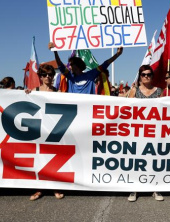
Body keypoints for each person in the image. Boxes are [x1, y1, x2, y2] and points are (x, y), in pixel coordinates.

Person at [25, 64, 64, 201]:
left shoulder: (57, 92)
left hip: (53, 130)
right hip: (38, 130)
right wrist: (25, 94)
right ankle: (39, 189)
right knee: (39, 159)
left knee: (52, 159)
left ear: (53, 77)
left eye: (50, 75)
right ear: (40, 77)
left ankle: (55, 187)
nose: (47, 77)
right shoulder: (33, 91)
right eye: (44, 75)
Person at [128, 65, 163, 202]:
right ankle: (134, 189)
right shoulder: (134, 91)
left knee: (154, 159)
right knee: (137, 160)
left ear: (152, 76)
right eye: (143, 74)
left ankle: (155, 188)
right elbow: (128, 109)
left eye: (149, 74)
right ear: (140, 76)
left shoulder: (159, 91)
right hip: (137, 131)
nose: (146, 76)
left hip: (155, 131)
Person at [48, 42, 123, 94]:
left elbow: (105, 64)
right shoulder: (70, 76)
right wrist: (55, 51)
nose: (69, 66)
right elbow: (60, 65)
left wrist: (118, 54)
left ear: (77, 65)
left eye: (71, 64)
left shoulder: (91, 74)